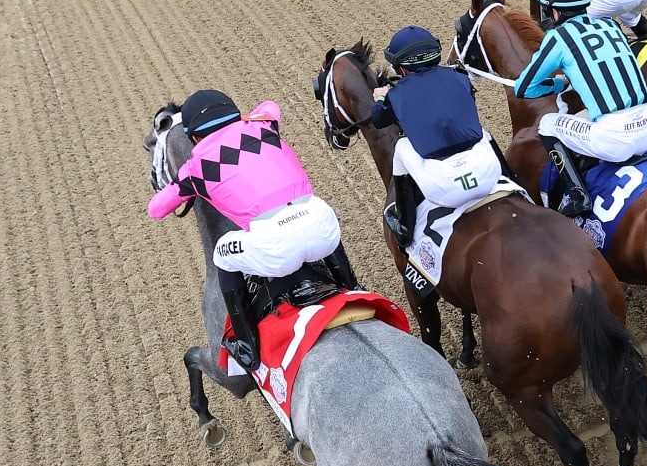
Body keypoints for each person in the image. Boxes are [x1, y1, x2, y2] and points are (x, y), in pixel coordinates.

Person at [148, 90, 357, 371]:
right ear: (235, 116)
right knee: (316, 210)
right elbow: (271, 104)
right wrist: (243, 120)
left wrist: (182, 181)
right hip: (325, 228)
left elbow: (156, 209)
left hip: (277, 248)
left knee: (222, 253)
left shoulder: (196, 169)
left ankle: (246, 344)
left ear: (194, 138)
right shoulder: (265, 123)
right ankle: (352, 286)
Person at [512, 0, 647, 218]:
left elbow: (524, 88)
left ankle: (576, 192)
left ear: (556, 12)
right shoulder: (610, 24)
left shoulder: (558, 37)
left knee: (549, 124)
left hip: (615, 138)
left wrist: (559, 83)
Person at [368, 27, 503, 247]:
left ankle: (405, 226)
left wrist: (382, 98)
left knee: (402, 147)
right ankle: (517, 186)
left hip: (444, 189)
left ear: (401, 68)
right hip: (488, 175)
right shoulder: (460, 77)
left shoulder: (397, 93)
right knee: (483, 134)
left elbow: (379, 119)